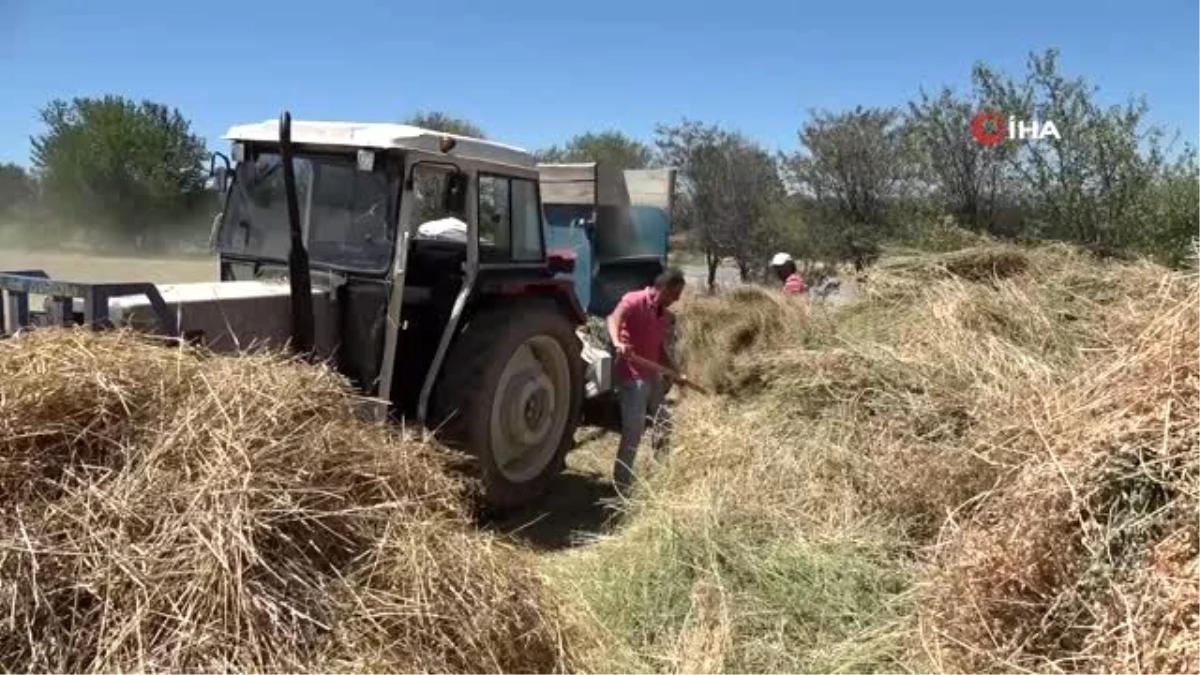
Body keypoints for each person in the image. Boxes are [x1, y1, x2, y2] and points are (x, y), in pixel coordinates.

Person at [607, 268, 688, 494]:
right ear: (662, 287)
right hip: (631, 375)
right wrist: (617, 342)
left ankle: (660, 474)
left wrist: (675, 372)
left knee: (664, 423)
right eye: (675, 293)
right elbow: (613, 319)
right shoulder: (633, 300)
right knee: (634, 429)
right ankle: (621, 487)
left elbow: (659, 350)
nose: (678, 299)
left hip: (651, 376)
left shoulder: (663, 314)